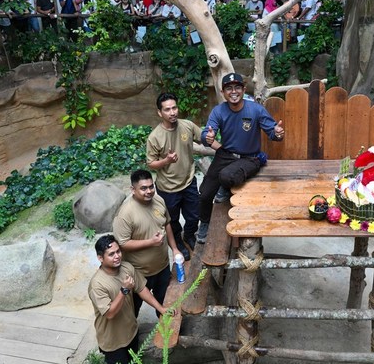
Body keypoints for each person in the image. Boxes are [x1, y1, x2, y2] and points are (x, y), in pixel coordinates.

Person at [197, 73, 285, 243]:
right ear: (223, 92)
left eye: (237, 87)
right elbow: (206, 134)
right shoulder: (218, 111)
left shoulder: (256, 110)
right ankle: (205, 223)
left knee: (226, 176)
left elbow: (273, 133)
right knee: (205, 193)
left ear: (244, 90)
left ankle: (226, 183)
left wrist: (277, 133)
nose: (233, 91)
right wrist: (207, 138)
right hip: (226, 155)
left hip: (250, 157)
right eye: (229, 88)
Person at [147, 93, 220, 260]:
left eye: (174, 108)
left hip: (188, 182)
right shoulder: (155, 137)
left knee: (194, 215)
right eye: (167, 109)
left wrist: (212, 139)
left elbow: (203, 138)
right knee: (172, 220)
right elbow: (151, 164)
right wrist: (166, 160)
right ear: (160, 113)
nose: (172, 112)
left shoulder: (187, 125)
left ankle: (189, 236)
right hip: (168, 188)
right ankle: (178, 243)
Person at [88, 234, 167, 364]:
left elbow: (142, 289)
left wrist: (161, 309)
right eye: (111, 254)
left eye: (118, 251)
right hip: (113, 342)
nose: (117, 256)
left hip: (131, 332)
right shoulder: (97, 285)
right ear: (100, 258)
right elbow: (110, 313)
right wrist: (124, 290)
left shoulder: (127, 268)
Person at [113, 169, 179, 317]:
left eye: (151, 186)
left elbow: (167, 223)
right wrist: (151, 242)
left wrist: (174, 249)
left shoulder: (159, 200)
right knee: (132, 309)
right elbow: (122, 244)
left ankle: (165, 334)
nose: (149, 191)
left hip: (162, 267)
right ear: (133, 189)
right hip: (139, 272)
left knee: (164, 306)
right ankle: (131, 336)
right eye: (143, 188)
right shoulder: (125, 214)